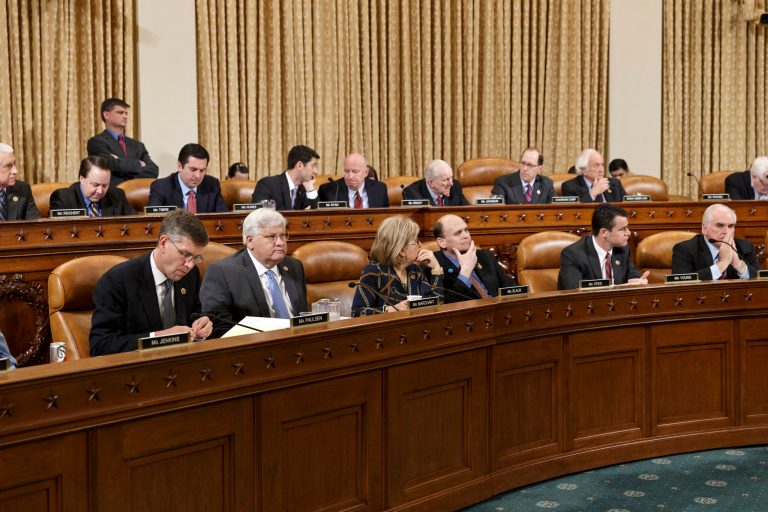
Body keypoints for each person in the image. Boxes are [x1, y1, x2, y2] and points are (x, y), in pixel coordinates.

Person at [90, 210, 213, 355]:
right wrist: (160, 337)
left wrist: (202, 324)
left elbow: (194, 314)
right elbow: (101, 345)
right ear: (164, 243)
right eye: (185, 254)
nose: (189, 265)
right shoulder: (118, 280)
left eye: (196, 258)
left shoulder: (191, 275)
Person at [200, 209, 307, 338]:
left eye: (283, 235)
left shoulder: (294, 266)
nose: (280, 242)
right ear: (250, 241)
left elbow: (303, 316)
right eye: (271, 237)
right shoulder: (223, 272)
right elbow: (218, 327)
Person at [351, 216, 442, 316]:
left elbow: (435, 306)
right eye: (416, 241)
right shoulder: (374, 271)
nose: (420, 245)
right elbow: (357, 312)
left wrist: (436, 269)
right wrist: (390, 309)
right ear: (402, 249)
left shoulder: (415, 270)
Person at [557, 204, 649, 290]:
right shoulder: (573, 254)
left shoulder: (623, 249)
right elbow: (574, 290)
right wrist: (620, 287)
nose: (628, 233)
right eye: (622, 229)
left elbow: (632, 275)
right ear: (603, 232)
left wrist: (638, 282)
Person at [432, 214, 515, 302]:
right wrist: (465, 272)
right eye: (458, 233)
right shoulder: (433, 266)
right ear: (442, 242)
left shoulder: (485, 256)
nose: (466, 236)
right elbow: (447, 304)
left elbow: (512, 288)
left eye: (466, 230)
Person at [671, 203, 759, 280]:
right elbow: (682, 282)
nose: (726, 232)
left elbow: (761, 280)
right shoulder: (685, 250)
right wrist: (722, 263)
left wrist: (738, 265)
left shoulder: (745, 247)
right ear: (704, 228)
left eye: (730, 226)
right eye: (719, 226)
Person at [86, 98, 159, 187]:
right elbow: (109, 165)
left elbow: (153, 171)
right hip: (113, 192)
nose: (125, 116)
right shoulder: (96, 142)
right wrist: (139, 164)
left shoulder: (138, 145)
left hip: (138, 192)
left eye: (126, 113)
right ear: (106, 115)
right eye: (120, 113)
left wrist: (120, 163)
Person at [148, 143, 228, 213]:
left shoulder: (212, 185)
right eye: (193, 169)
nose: (198, 176)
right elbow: (154, 221)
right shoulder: (161, 187)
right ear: (180, 166)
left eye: (202, 170)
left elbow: (223, 219)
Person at [49, 156, 136, 216]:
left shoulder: (118, 197)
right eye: (95, 185)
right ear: (82, 179)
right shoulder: (63, 198)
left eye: (105, 185)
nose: (100, 191)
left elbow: (136, 224)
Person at [252, 145, 319, 210]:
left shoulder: (305, 189)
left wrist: (310, 190)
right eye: (313, 166)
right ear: (299, 165)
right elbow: (261, 214)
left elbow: (317, 215)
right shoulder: (267, 185)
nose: (316, 172)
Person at [318, 153, 389, 207]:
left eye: (355, 171)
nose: (350, 176)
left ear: (366, 172)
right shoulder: (328, 191)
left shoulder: (380, 189)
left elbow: (385, 217)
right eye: (346, 171)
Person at [561, 149, 626, 202]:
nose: (601, 170)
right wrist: (593, 193)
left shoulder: (615, 184)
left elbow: (626, 206)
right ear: (583, 169)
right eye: (596, 165)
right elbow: (574, 211)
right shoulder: (570, 187)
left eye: (602, 165)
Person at [402, 159, 469, 206]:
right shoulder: (412, 193)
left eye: (451, 177)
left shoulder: (455, 186)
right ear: (431, 183)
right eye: (445, 180)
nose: (451, 183)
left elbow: (468, 211)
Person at [0, 143, 40, 221]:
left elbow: (35, 225)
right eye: (8, 166)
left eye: (14, 164)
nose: (15, 171)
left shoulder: (23, 189)